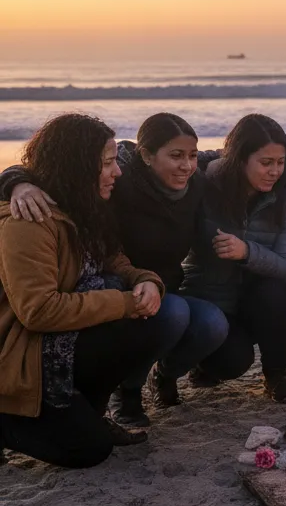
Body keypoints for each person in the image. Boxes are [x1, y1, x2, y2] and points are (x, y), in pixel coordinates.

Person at [1, 113, 229, 426]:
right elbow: (50, 164)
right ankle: (128, 391)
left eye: (190, 156)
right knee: (173, 313)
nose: (186, 165)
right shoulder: (116, 186)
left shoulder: (194, 181)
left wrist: (147, 278)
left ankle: (162, 376)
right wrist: (17, 183)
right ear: (146, 156)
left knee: (213, 323)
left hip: (148, 286)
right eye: (176, 156)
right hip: (111, 296)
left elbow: (209, 155)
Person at [0, 114, 168, 467]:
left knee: (146, 326)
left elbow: (113, 260)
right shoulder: (28, 221)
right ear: (78, 166)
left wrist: (145, 280)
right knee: (89, 451)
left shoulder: (82, 209)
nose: (117, 172)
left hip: (55, 348)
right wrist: (123, 303)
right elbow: (38, 311)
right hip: (19, 358)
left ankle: (90, 411)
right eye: (107, 163)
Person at [181, 114, 286, 403]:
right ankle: (194, 364)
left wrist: (246, 252)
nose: (274, 171)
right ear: (240, 159)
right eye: (265, 163)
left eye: (280, 162)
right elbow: (147, 157)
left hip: (254, 302)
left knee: (275, 292)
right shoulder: (205, 184)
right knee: (232, 362)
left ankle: (276, 376)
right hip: (210, 299)